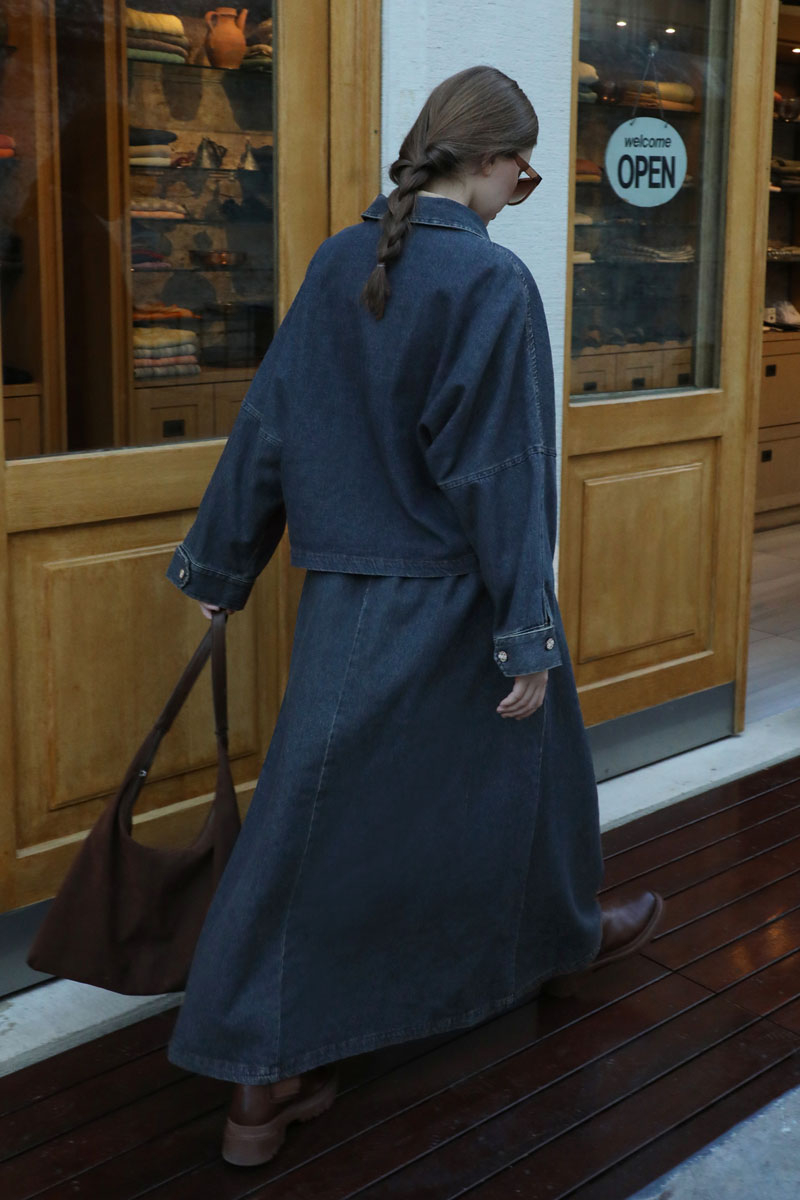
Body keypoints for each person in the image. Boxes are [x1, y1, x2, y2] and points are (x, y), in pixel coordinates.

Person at [164, 64, 663, 1168]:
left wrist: (222, 559)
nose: (519, 191)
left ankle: (560, 937)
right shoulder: (490, 283)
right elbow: (503, 472)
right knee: (314, 827)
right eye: (523, 173)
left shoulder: (339, 260)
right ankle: (257, 1066)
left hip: (352, 595)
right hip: (452, 598)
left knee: (526, 772)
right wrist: (525, 632)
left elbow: (269, 424)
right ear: (487, 161)